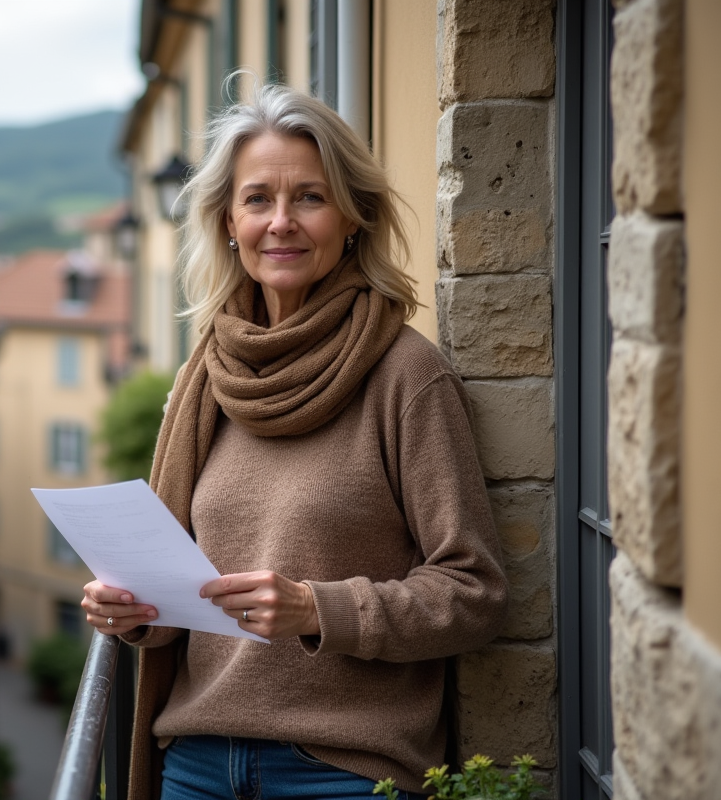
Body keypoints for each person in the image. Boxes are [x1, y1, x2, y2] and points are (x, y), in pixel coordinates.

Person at [80, 77, 508, 800]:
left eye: (309, 196)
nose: (281, 221)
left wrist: (318, 609)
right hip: (193, 764)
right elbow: (177, 591)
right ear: (226, 221)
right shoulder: (204, 377)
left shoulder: (406, 377)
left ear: (353, 217)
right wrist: (130, 609)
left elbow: (475, 592)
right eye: (258, 199)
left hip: (342, 773)